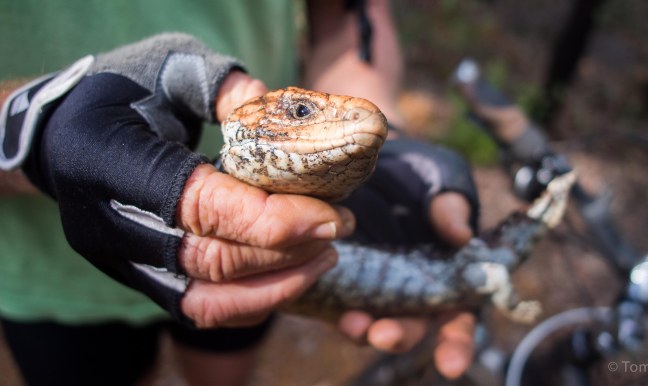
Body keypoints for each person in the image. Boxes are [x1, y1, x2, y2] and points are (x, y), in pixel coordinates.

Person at [0, 0, 479, 384]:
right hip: (50, 277)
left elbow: (349, 17)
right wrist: (29, 126)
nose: (363, 118)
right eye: (299, 113)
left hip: (258, 257)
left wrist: (387, 144)